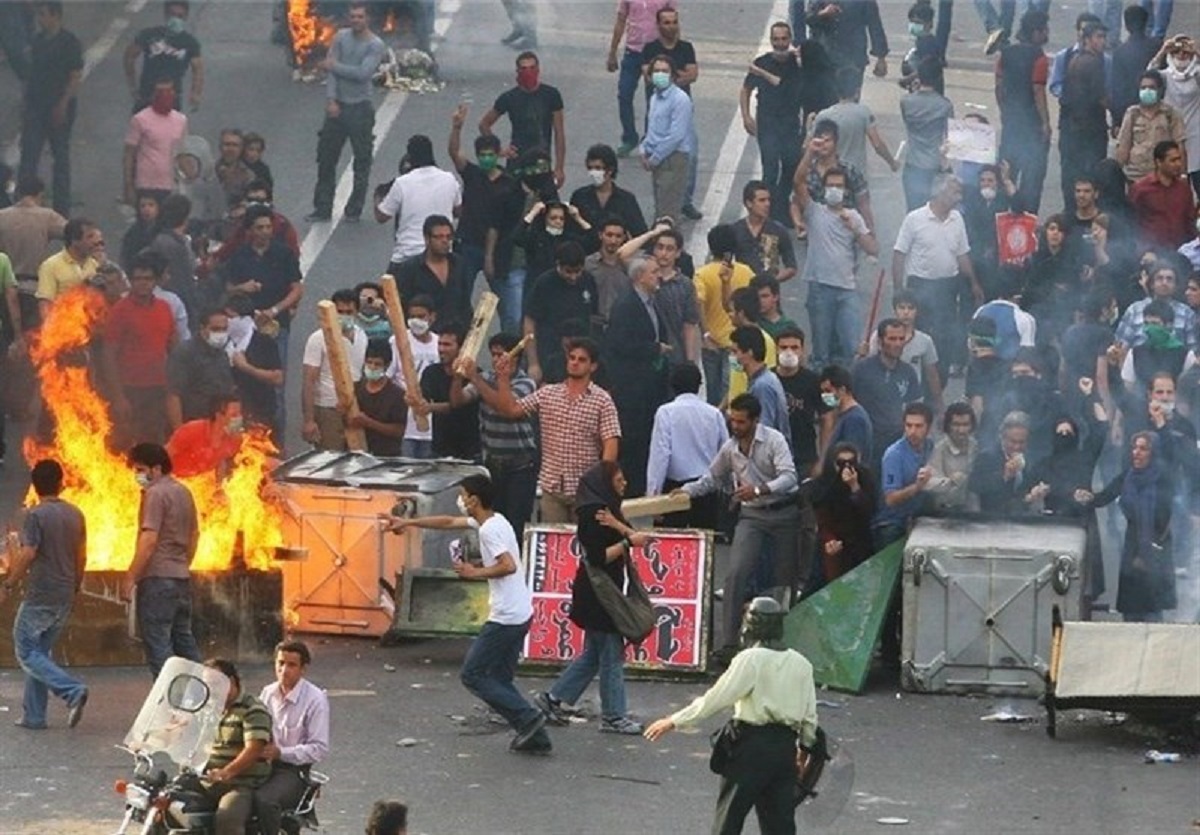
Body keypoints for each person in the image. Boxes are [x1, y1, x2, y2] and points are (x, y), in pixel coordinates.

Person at [386, 475, 553, 753]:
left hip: (505, 617)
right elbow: (448, 522)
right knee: (499, 679)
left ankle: (528, 718)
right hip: (520, 612)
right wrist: (409, 523)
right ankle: (532, 732)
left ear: (474, 500)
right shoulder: (493, 520)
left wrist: (475, 572)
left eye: (463, 495)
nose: (460, 500)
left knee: (473, 674)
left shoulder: (489, 530)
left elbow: (508, 565)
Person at [643, 597, 819, 835]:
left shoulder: (750, 660)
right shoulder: (802, 664)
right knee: (780, 824)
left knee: (730, 818)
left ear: (752, 625)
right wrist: (803, 752)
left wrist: (675, 720)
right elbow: (809, 718)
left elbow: (716, 699)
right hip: (784, 749)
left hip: (750, 748)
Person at [679, 393, 801, 661]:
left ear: (756, 421)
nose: (736, 426)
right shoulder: (730, 447)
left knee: (784, 581)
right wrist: (684, 492)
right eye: (732, 421)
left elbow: (790, 477)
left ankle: (781, 644)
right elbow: (712, 477)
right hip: (752, 517)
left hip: (783, 514)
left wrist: (759, 489)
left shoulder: (773, 440)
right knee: (735, 574)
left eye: (741, 422)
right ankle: (729, 644)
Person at [533, 462, 646, 735]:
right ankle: (614, 716)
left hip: (599, 593)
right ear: (605, 484)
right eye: (618, 480)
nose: (623, 484)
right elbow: (598, 556)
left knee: (594, 655)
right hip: (599, 596)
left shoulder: (607, 511)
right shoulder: (592, 516)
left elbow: (634, 534)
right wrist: (627, 543)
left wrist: (620, 527)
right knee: (610, 656)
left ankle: (553, 698)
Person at [477, 338, 620, 523]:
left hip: (585, 489)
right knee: (553, 546)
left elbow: (611, 442)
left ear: (593, 366)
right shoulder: (548, 393)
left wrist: (602, 482)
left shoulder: (602, 400)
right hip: (552, 488)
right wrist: (503, 378)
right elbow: (511, 410)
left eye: (582, 360)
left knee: (584, 545)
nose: (575, 362)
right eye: (572, 358)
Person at [3, 459, 88, 731]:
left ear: (34, 486)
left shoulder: (36, 516)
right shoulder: (76, 514)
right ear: (61, 483)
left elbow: (28, 552)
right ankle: (34, 715)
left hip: (41, 593)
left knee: (26, 650)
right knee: (40, 652)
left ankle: (71, 690)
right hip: (64, 593)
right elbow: (81, 555)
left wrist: (8, 584)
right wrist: (74, 586)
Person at [1074, 432, 1174, 621]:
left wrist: (1147, 554)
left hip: (1155, 546)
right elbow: (1105, 496)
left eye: (1143, 449)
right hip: (1131, 543)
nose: (1136, 453)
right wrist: (1089, 498)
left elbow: (1164, 519)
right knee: (1132, 606)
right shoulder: (1128, 476)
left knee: (1151, 608)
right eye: (1134, 448)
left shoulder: (1162, 479)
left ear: (1153, 453)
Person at [120, 443, 201, 677]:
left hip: (157, 581)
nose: (138, 475)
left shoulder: (155, 494)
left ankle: (168, 702)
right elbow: (194, 535)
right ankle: (203, 696)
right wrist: (183, 564)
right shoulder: (184, 491)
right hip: (181, 579)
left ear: (156, 469)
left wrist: (130, 577)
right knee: (184, 642)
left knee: (159, 647)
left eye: (140, 469)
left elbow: (149, 540)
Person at [451, 334, 539, 542]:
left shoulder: (526, 383)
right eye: (493, 355)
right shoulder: (487, 378)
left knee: (516, 522)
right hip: (493, 464)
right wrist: (458, 377)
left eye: (501, 355)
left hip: (520, 466)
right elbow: (458, 400)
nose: (496, 359)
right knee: (492, 521)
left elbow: (505, 408)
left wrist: (477, 378)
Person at [892, 174, 981, 376]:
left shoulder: (957, 219)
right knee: (918, 332)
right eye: (954, 190)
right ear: (940, 192)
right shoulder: (914, 219)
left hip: (948, 286)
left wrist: (974, 283)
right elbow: (899, 254)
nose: (959, 195)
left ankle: (938, 377)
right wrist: (899, 291)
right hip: (920, 285)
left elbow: (962, 254)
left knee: (945, 334)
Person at [307, 3, 386, 223]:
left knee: (361, 161)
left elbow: (363, 73)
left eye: (360, 17)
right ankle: (322, 207)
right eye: (352, 16)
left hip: (360, 108)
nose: (355, 20)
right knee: (325, 158)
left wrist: (334, 66)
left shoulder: (374, 44)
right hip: (338, 107)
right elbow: (331, 73)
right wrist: (331, 99)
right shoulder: (341, 37)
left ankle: (354, 209)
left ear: (367, 18)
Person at [795, 156, 876, 370]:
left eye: (839, 186)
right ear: (823, 189)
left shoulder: (854, 217)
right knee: (821, 350)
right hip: (820, 287)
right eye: (830, 185)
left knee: (853, 347)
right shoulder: (815, 211)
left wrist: (855, 230)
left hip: (846, 289)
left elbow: (873, 248)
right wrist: (810, 153)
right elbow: (798, 182)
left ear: (845, 191)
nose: (834, 189)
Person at [103, 253, 178, 446]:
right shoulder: (120, 311)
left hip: (158, 389)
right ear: (130, 281)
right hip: (130, 390)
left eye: (148, 279)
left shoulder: (165, 308)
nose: (142, 284)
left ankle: (149, 477)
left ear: (156, 281)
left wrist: (173, 390)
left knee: (153, 442)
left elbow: (174, 350)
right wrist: (118, 397)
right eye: (137, 279)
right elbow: (109, 356)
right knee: (126, 445)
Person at [256, 640, 331, 835]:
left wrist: (281, 753)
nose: (284, 670)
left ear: (303, 669)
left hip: (293, 772)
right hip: (263, 764)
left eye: (291, 665)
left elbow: (319, 749)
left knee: (264, 800)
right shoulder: (268, 692)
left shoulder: (315, 699)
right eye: (280, 663)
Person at [645, 363, 728, 529]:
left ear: (672, 385)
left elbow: (660, 456)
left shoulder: (665, 412)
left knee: (672, 545)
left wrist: (653, 496)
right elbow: (726, 453)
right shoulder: (714, 414)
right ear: (699, 385)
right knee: (705, 545)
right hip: (707, 488)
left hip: (673, 490)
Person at [19, 2, 82, 218]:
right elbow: (30, 74)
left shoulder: (69, 43)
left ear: (56, 16)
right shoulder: (37, 42)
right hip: (36, 106)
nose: (40, 19)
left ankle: (61, 208)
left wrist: (63, 103)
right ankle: (24, 201)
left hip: (57, 106)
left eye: (44, 15)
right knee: (29, 156)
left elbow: (74, 76)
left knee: (60, 157)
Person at [741, 22, 807, 226]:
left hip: (790, 125)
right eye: (776, 39)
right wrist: (746, 116)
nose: (780, 43)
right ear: (771, 40)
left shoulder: (796, 65)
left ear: (790, 39)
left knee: (790, 168)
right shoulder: (762, 62)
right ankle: (766, 213)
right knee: (770, 170)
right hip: (767, 124)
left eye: (784, 39)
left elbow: (787, 86)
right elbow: (746, 90)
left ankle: (779, 208)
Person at [641, 6, 702, 219]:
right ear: (658, 25)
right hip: (658, 116)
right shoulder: (650, 48)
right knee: (661, 169)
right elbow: (647, 76)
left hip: (680, 115)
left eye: (674, 22)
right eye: (666, 22)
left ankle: (684, 201)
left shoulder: (685, 47)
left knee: (690, 156)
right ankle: (664, 208)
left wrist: (672, 80)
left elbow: (693, 75)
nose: (671, 26)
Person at [201, 658, 272, 835]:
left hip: (240, 782)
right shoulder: (207, 708)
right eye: (206, 685)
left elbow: (253, 749)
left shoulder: (252, 709)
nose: (210, 691)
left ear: (231, 682)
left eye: (215, 684)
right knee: (164, 802)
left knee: (227, 818)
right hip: (206, 778)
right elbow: (190, 736)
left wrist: (227, 772)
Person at [478, 51, 566, 188]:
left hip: (541, 161)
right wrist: (500, 150)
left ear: (538, 70)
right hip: (516, 161)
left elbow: (559, 133)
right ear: (517, 71)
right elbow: (484, 124)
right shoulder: (509, 98)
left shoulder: (551, 95)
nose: (528, 72)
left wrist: (559, 167)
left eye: (532, 68)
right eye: (524, 69)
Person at [375, 135, 462, 268]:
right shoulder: (449, 179)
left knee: (389, 288)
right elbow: (458, 211)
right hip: (441, 254)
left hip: (407, 254)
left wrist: (377, 197)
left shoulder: (402, 183)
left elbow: (382, 216)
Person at [995, 9, 1052, 214]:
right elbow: (1038, 90)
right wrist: (1045, 123)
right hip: (1032, 128)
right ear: (1036, 33)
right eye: (1044, 30)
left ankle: (999, 223)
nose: (1047, 34)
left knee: (1004, 175)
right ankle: (1026, 223)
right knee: (1032, 181)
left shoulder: (1006, 54)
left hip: (1011, 125)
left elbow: (999, 87)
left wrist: (1005, 112)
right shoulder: (1040, 58)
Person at [694, 224, 755, 407]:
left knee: (713, 394)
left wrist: (705, 334)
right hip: (736, 343)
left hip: (712, 341)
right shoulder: (746, 272)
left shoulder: (702, 274)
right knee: (732, 392)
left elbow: (698, 303)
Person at [521, 241, 599, 385]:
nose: (574, 277)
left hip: (579, 355)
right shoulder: (544, 284)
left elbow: (593, 316)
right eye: (568, 271)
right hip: (549, 353)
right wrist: (533, 363)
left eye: (578, 271)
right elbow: (529, 322)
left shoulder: (588, 280)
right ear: (558, 265)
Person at [300, 289, 368, 451]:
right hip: (328, 409)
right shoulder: (318, 339)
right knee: (330, 458)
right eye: (340, 312)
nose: (344, 315)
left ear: (357, 312)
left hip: (354, 408)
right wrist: (309, 420)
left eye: (349, 312)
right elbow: (309, 381)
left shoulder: (362, 336)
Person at [607, 0, 675, 159]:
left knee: (653, 98)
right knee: (624, 94)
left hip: (656, 52)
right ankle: (629, 137)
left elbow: (672, 24)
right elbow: (620, 21)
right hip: (633, 51)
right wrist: (612, 52)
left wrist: (673, 51)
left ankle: (650, 139)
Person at [1058, 21, 1110, 211]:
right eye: (1099, 37)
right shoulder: (1093, 62)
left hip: (1075, 128)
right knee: (1092, 174)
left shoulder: (1075, 59)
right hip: (1090, 129)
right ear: (1087, 39)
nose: (1102, 42)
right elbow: (1101, 97)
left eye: (1104, 37)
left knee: (1074, 173)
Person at [816, 65, 901, 177]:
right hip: (856, 176)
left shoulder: (823, 116)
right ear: (857, 91)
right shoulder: (863, 113)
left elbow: (810, 149)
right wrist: (892, 163)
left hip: (830, 175)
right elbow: (877, 144)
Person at [640, 54, 695, 223]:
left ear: (672, 75)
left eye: (664, 71)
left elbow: (676, 136)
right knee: (659, 207)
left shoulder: (680, 99)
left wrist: (655, 158)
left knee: (668, 212)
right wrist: (643, 149)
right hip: (656, 156)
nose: (660, 74)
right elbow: (652, 129)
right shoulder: (655, 97)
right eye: (656, 71)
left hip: (673, 158)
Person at [391, 214, 474, 324]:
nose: (445, 241)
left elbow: (465, 302)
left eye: (448, 237)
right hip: (423, 333)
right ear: (427, 239)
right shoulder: (410, 268)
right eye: (439, 237)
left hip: (454, 334)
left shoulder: (460, 264)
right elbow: (401, 306)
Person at [812, 442, 877, 581]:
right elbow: (822, 518)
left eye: (851, 462)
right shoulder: (826, 483)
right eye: (841, 463)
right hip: (835, 541)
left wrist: (854, 487)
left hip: (861, 541)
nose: (846, 467)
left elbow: (869, 510)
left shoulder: (865, 477)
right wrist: (830, 540)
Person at [124, 0, 203, 113]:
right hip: (146, 93)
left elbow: (198, 70)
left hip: (171, 96)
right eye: (172, 14)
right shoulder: (149, 35)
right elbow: (130, 56)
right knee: (141, 125)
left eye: (180, 16)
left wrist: (196, 94)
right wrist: (132, 84)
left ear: (185, 17)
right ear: (166, 15)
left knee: (170, 128)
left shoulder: (190, 42)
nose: (176, 19)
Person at [166, 309, 237, 430]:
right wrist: (179, 432)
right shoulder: (185, 353)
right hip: (192, 424)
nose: (221, 333)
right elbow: (173, 395)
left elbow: (229, 394)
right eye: (215, 329)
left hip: (218, 426)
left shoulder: (222, 355)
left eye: (224, 329)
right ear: (202, 328)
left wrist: (233, 428)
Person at [569, 144, 648, 245]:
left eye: (598, 168)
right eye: (590, 168)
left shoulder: (626, 200)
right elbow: (571, 232)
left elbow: (640, 234)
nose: (593, 173)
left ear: (610, 170)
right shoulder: (579, 196)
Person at [1117, 71, 1186, 182]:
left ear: (1160, 90)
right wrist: (1118, 172)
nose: (1147, 91)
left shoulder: (1171, 114)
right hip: (1136, 177)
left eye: (1151, 87)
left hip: (1163, 177)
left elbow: (1180, 146)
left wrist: (1183, 175)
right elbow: (1123, 147)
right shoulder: (1132, 113)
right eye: (1143, 88)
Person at [1129, 140, 1195, 250]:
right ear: (1159, 162)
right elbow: (1132, 223)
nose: (1178, 164)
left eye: (1179, 159)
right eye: (1173, 161)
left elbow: (1189, 222)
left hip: (1181, 251)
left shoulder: (1184, 189)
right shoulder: (1141, 189)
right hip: (1152, 253)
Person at [35, 216, 102, 321]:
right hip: (65, 328)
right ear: (74, 241)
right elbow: (45, 303)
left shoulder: (96, 265)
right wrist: (49, 329)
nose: (96, 241)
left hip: (92, 328)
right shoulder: (51, 265)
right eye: (90, 237)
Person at [165, 394, 244, 478]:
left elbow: (221, 461)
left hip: (199, 483)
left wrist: (220, 487)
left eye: (240, 414)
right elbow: (164, 454)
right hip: (173, 479)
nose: (239, 418)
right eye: (234, 415)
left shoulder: (234, 440)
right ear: (219, 416)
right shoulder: (192, 430)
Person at [733, 180, 797, 284]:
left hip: (769, 295)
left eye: (768, 200)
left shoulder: (778, 230)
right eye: (762, 200)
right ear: (749, 203)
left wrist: (772, 281)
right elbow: (724, 262)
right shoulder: (735, 230)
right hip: (744, 292)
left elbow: (791, 267)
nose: (767, 204)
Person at [352, 340, 407, 456]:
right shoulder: (355, 389)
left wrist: (369, 423)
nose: (372, 367)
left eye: (377, 364)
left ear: (386, 365)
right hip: (358, 453)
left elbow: (399, 430)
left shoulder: (397, 395)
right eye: (369, 362)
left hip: (386, 455)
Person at [926, 402, 979, 511]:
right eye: (956, 424)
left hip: (972, 510)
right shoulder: (939, 449)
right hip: (946, 510)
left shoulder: (976, 447)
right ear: (948, 425)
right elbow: (928, 483)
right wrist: (950, 481)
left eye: (965, 425)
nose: (961, 430)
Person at [818, 364, 873, 467]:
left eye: (828, 391)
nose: (824, 395)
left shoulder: (854, 420)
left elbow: (851, 461)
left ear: (842, 390)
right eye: (823, 391)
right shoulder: (841, 415)